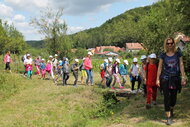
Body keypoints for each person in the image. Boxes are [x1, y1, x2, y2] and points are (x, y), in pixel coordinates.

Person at [156, 37, 187, 125]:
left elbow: (181, 65)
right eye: (168, 43)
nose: (169, 45)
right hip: (165, 78)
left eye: (171, 43)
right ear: (165, 44)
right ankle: (168, 117)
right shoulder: (163, 55)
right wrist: (157, 79)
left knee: (173, 98)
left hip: (175, 78)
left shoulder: (178, 54)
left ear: (174, 44)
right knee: (166, 97)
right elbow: (160, 67)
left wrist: (183, 77)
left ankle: (171, 108)